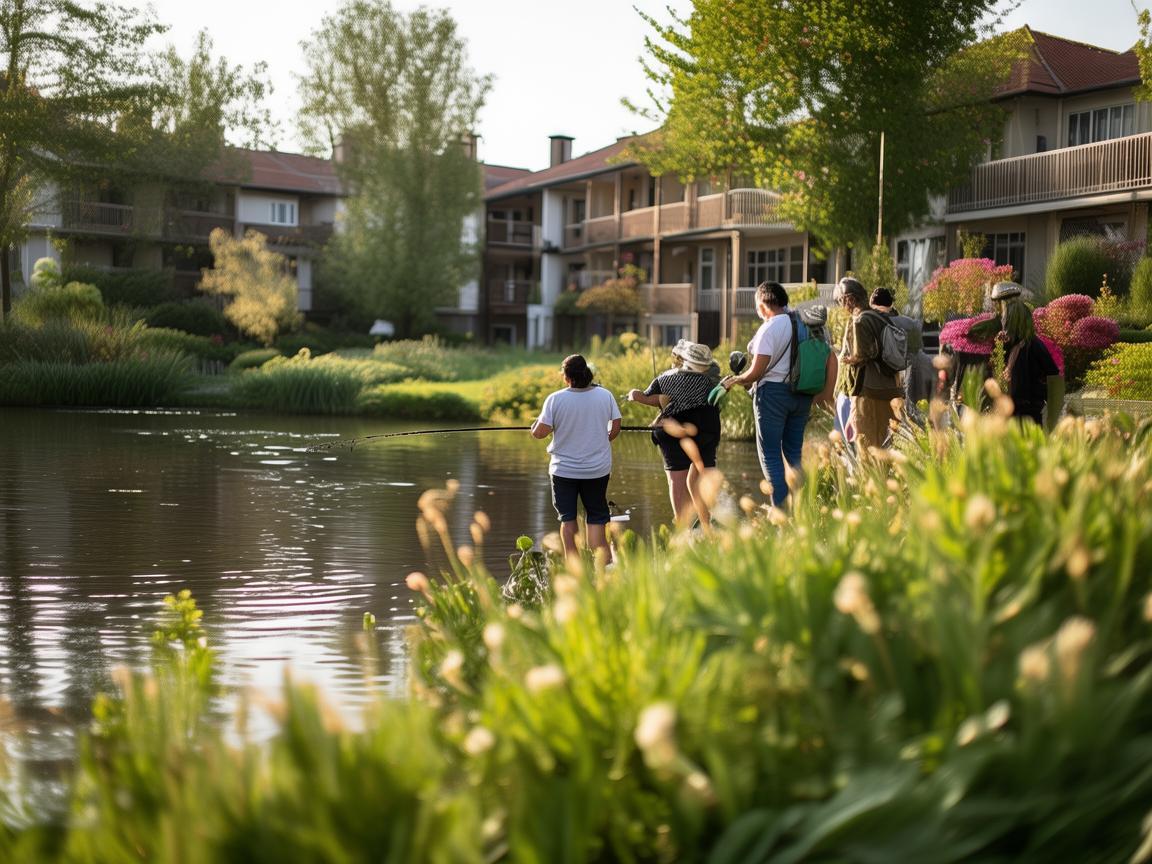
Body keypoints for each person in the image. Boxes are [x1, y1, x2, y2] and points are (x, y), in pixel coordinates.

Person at [719, 281, 813, 509]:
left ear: (762, 304)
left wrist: (737, 379)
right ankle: (804, 508)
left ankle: (781, 513)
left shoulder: (769, 328)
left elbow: (757, 371)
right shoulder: (803, 324)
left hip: (773, 396)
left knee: (770, 455)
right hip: (801, 394)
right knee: (793, 454)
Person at [531, 354, 622, 562]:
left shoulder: (555, 399)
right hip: (597, 469)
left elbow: (539, 433)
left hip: (564, 471)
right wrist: (602, 440)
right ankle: (605, 565)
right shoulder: (605, 395)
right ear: (587, 373)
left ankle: (574, 568)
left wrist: (535, 424)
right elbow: (615, 426)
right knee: (597, 516)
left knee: (568, 519)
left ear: (566, 376)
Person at [626, 340, 722, 529]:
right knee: (702, 475)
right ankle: (707, 522)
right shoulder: (712, 379)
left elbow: (646, 397)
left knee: (676, 479)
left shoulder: (666, 378)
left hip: (671, 429)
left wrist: (633, 395)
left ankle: (682, 525)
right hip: (705, 430)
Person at [834, 276, 905, 451]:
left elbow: (863, 354)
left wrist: (849, 359)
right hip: (889, 389)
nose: (842, 305)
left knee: (867, 448)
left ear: (850, 299)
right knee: (885, 446)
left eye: (841, 300)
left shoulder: (861, 320)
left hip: (869, 392)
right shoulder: (880, 317)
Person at [989, 281, 1061, 425]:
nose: (1003, 321)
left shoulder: (1032, 344)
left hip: (1029, 413)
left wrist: (1047, 406)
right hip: (1009, 413)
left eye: (1006, 318)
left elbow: (1053, 374)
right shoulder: (1008, 345)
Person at [869, 287, 931, 408]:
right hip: (911, 372)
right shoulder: (910, 322)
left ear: (872, 304)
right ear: (891, 303)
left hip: (883, 379)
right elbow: (918, 347)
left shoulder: (871, 323)